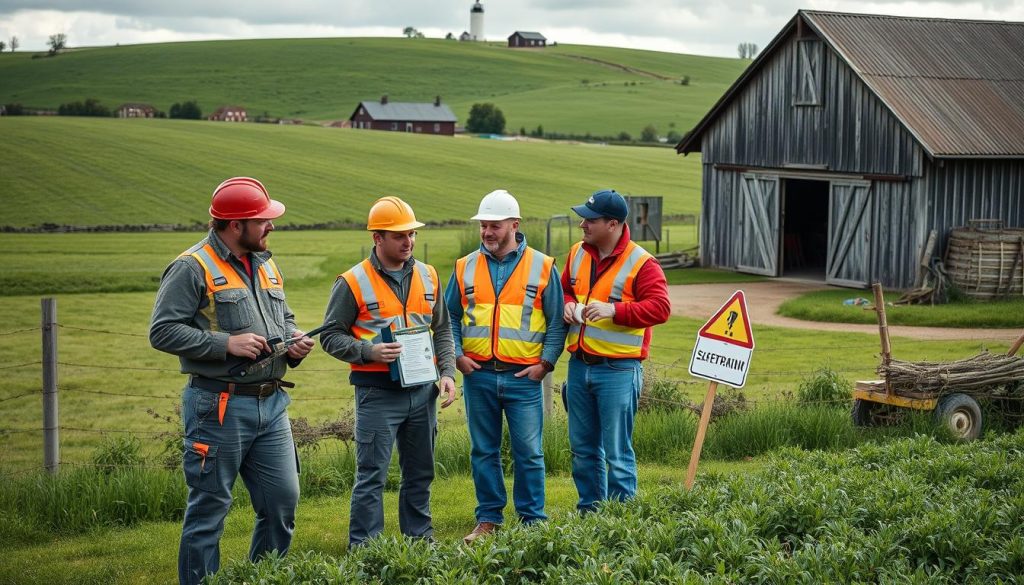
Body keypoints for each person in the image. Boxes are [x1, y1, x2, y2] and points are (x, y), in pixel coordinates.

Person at [149, 177, 315, 585]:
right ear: (235, 225)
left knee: (282, 503)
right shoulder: (191, 267)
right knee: (209, 510)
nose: (271, 226)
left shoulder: (266, 262)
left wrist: (292, 339)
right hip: (218, 406)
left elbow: (284, 317)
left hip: (272, 403)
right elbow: (162, 331)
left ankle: (264, 578)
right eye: (263, 220)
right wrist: (227, 343)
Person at [321, 196, 458, 547]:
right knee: (372, 476)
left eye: (410, 234)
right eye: (399, 236)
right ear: (377, 238)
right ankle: (366, 551)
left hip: (422, 392)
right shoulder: (352, 281)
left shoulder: (428, 275)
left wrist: (447, 372)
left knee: (421, 473)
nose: (408, 242)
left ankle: (420, 544)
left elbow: (441, 329)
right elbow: (330, 337)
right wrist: (369, 351)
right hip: (377, 393)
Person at [445, 190, 566, 544]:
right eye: (483, 225)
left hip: (524, 378)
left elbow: (558, 322)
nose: (487, 232)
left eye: (494, 225)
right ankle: (488, 520)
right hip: (478, 375)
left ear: (514, 225)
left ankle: (532, 521)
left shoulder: (543, 265)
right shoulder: (464, 266)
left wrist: (546, 364)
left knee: (529, 452)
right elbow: (450, 316)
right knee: (483, 450)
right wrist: (456, 354)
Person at [561, 189, 671, 513]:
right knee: (583, 451)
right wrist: (568, 305)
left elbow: (661, 308)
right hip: (579, 366)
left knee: (617, 454)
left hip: (619, 371)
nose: (582, 224)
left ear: (612, 224)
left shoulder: (642, 263)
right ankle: (590, 516)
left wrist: (615, 311)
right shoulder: (577, 253)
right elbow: (566, 288)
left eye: (590, 220)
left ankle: (621, 523)